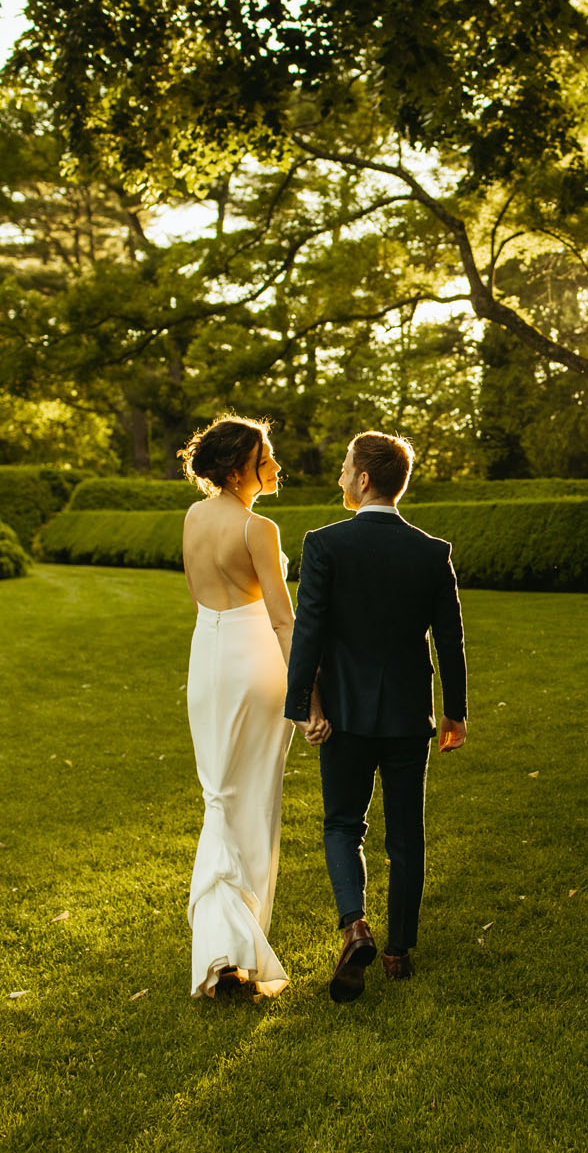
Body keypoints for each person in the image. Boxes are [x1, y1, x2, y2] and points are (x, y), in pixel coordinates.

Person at [285, 430, 467, 1003]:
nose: (339, 477)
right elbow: (450, 640)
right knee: (405, 833)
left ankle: (355, 926)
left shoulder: (324, 544)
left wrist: (301, 708)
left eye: (344, 468)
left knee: (342, 823)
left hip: (342, 712)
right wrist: (455, 711)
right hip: (410, 715)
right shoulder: (431, 550)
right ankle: (397, 952)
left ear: (364, 479)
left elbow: (308, 630)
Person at [180, 414, 329, 1000]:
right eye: (267, 455)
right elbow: (283, 620)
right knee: (252, 800)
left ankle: (227, 951)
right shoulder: (257, 528)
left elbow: (196, 594)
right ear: (242, 466)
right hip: (254, 661)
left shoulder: (193, 518)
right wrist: (308, 700)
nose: (276, 464)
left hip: (207, 659)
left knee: (219, 793)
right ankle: (230, 950)